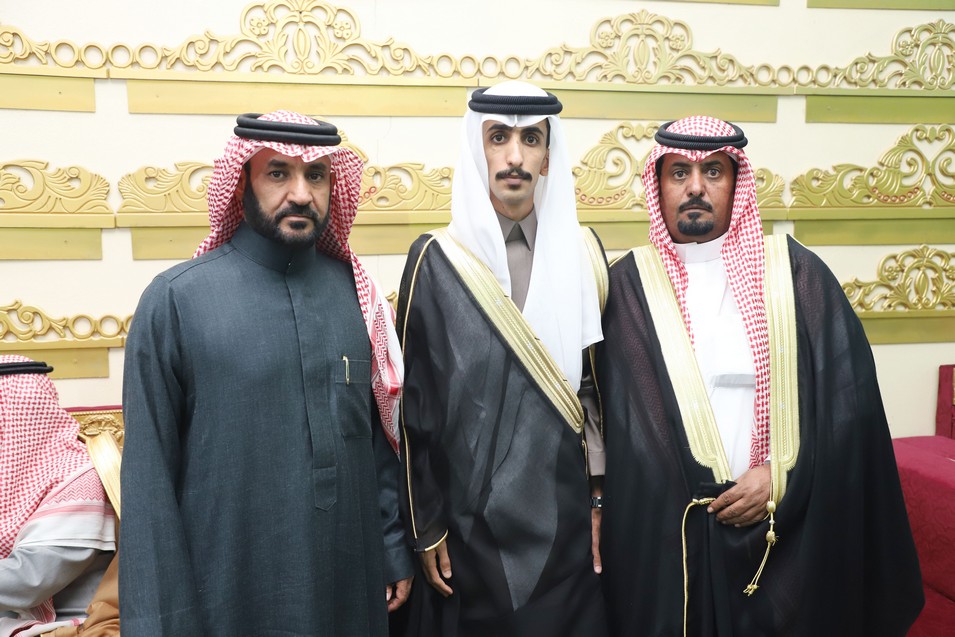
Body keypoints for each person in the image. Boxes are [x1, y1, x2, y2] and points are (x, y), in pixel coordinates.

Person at [595, 116, 924, 635]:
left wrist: (782, 474)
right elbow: (600, 417)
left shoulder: (794, 275)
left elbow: (850, 408)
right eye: (679, 172)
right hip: (668, 543)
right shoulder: (626, 288)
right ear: (658, 185)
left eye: (713, 171)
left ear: (737, 183)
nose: (696, 187)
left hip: (780, 533)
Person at [120, 111, 413, 636]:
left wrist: (392, 548)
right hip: (227, 591)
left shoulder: (358, 298)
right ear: (241, 183)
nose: (301, 194)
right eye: (278, 173)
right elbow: (148, 483)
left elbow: (377, 441)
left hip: (348, 582)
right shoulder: (176, 300)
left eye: (316, 175)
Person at [396, 81, 609, 636]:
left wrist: (599, 500)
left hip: (563, 516)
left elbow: (593, 392)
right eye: (498, 138)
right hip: (466, 525)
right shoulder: (436, 260)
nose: (514, 156)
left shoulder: (583, 254)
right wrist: (426, 526)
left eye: (530, 139)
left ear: (547, 158)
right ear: (478, 149)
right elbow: (414, 410)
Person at [0, 356, 115, 637]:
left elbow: (29, 580)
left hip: (68, 628)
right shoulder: (11, 474)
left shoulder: (79, 478)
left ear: (16, 414)